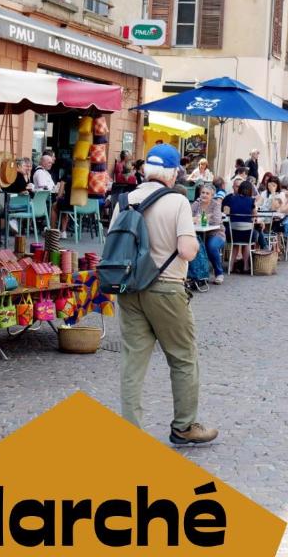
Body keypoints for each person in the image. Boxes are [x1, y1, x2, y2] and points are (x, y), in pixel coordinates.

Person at [111, 143, 216, 445]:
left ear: (145, 171)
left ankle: (129, 430)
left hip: (129, 288)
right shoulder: (177, 201)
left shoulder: (124, 200)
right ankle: (185, 426)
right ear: (172, 173)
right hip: (167, 288)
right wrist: (194, 246)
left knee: (133, 361)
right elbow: (186, 249)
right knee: (183, 357)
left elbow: (113, 242)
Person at [191, 183, 226, 284]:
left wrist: (200, 218)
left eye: (207, 193)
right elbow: (187, 216)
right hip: (198, 233)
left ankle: (219, 273)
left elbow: (216, 221)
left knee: (211, 246)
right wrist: (207, 216)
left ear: (212, 195)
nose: (204, 195)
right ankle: (198, 274)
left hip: (216, 234)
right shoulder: (196, 204)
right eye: (203, 192)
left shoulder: (216, 205)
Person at [223, 180, 260, 270]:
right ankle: (246, 266)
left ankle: (230, 267)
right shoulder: (251, 201)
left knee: (235, 244)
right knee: (248, 241)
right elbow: (255, 216)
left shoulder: (231, 199)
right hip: (247, 234)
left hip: (232, 233)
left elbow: (226, 213)